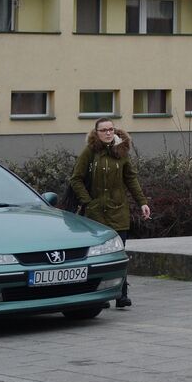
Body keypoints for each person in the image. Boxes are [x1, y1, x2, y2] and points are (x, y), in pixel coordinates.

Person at [71, 118, 150, 309]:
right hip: (96, 214)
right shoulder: (90, 152)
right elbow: (76, 179)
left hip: (118, 212)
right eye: (103, 130)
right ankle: (101, 294)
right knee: (98, 256)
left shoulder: (121, 152)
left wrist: (143, 203)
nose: (108, 133)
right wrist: (88, 202)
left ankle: (121, 294)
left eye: (111, 129)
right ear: (96, 132)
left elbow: (130, 178)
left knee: (119, 254)